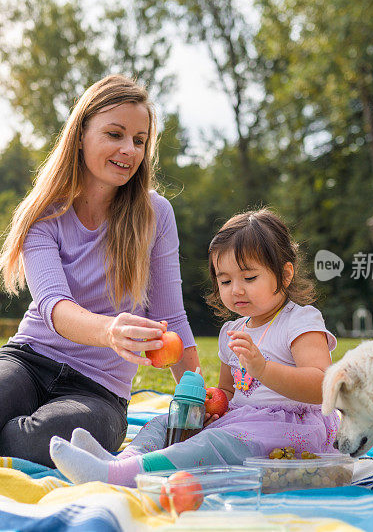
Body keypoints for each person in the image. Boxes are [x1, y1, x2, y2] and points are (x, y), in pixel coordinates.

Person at [0, 75, 199, 467]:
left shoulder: (155, 214)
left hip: (99, 393)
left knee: (35, 444)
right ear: (80, 135)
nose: (128, 150)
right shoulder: (45, 213)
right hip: (28, 360)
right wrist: (110, 332)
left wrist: (197, 399)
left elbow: (171, 317)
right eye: (115, 134)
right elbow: (54, 307)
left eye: (139, 140)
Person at [50, 208, 339, 486]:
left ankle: (121, 476)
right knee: (166, 423)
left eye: (249, 278)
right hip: (242, 425)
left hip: (291, 431)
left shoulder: (300, 321)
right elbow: (228, 392)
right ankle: (121, 462)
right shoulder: (233, 331)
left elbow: (321, 386)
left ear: (285, 274)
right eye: (225, 280)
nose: (236, 289)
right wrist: (211, 407)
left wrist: (262, 368)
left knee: (210, 443)